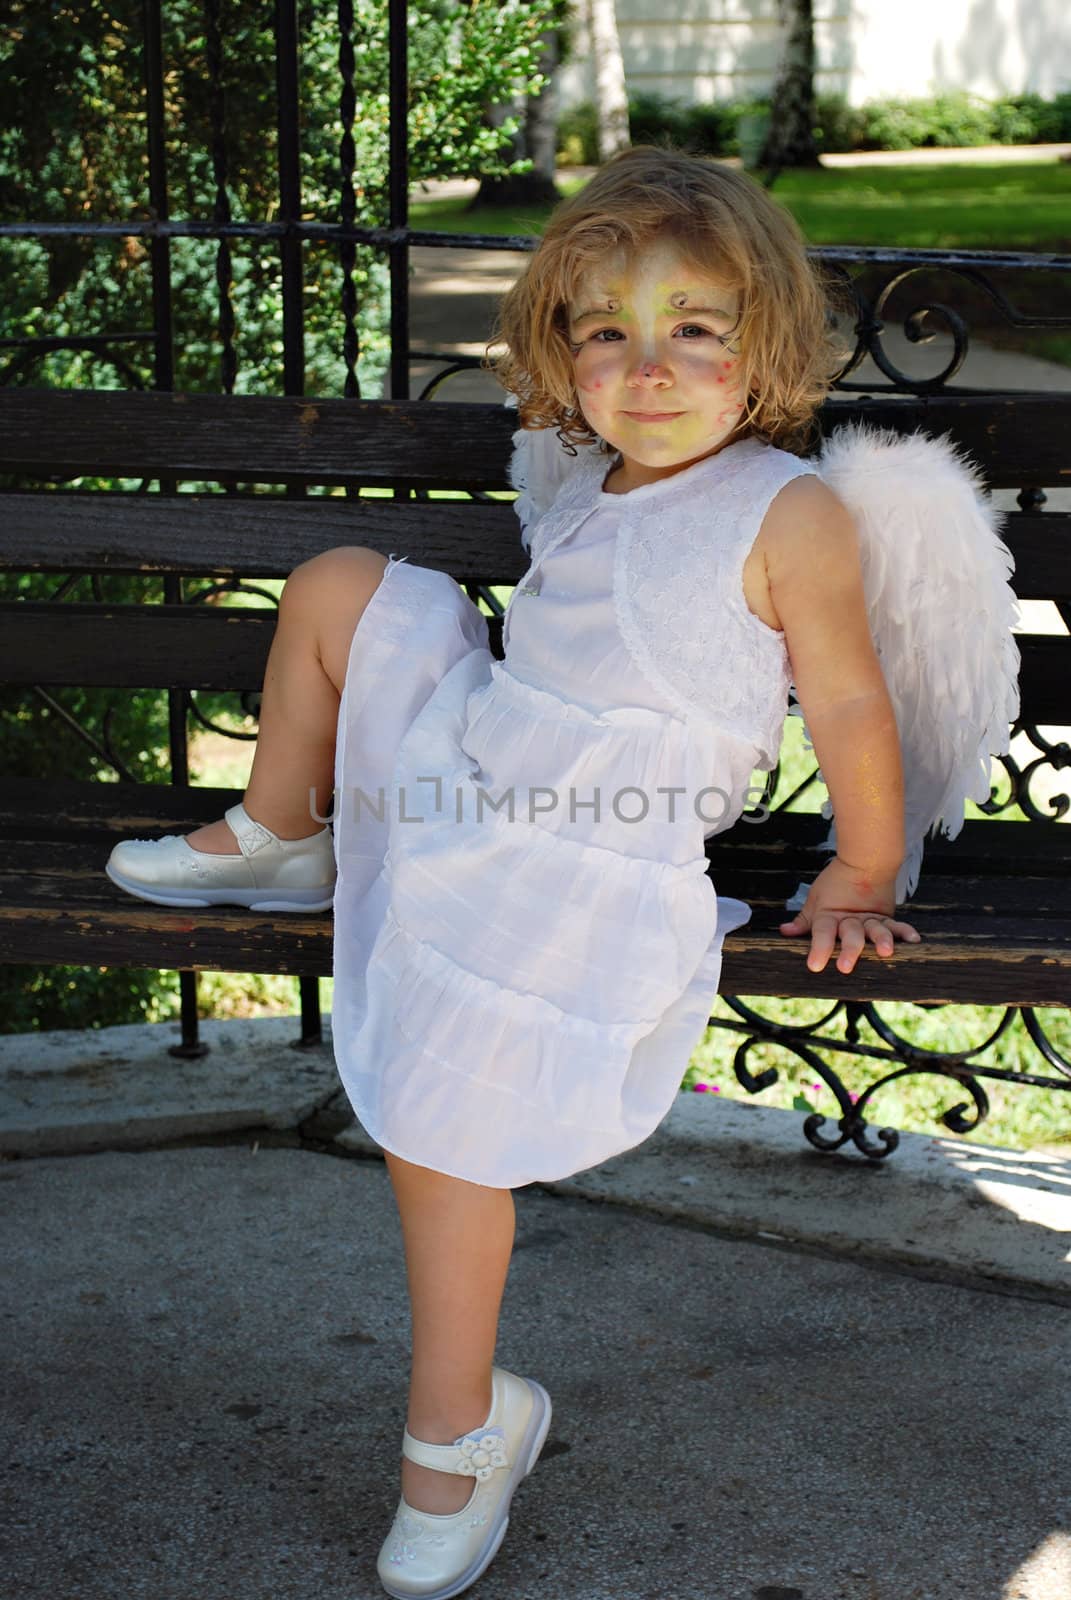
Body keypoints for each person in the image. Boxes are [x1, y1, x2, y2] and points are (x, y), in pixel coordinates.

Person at [105, 145, 951, 1600]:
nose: (652, 365)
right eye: (606, 331)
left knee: (445, 1105)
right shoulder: (591, 476)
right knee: (337, 586)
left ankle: (460, 1427)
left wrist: (864, 865)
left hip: (593, 851)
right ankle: (283, 829)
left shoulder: (786, 513)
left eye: (698, 327)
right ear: (563, 360)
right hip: (472, 767)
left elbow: (854, 701)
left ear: (770, 344)